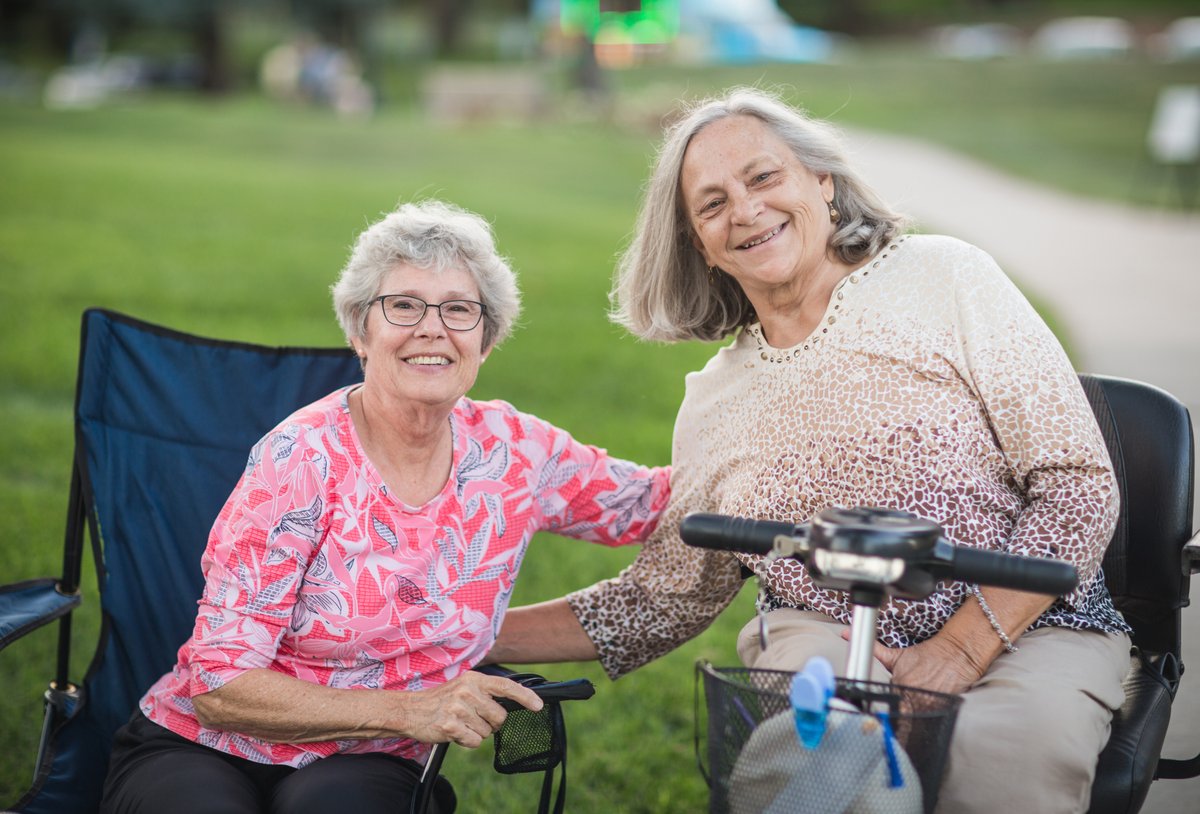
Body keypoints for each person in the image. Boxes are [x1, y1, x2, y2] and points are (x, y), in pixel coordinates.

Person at [488, 88, 1131, 814]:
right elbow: (665, 597)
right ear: (700, 242)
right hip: (823, 631)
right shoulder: (715, 400)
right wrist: (456, 633)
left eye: (764, 178)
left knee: (997, 768)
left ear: (822, 183)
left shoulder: (944, 278)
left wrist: (956, 650)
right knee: (834, 779)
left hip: (1032, 625)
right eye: (712, 203)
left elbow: (1077, 485)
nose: (746, 210)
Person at [98, 199, 671, 814]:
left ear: (487, 340)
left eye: (459, 309)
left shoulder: (518, 455)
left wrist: (766, 428)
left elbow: (658, 505)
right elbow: (220, 684)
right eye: (403, 305)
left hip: (369, 761)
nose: (432, 328)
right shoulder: (300, 459)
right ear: (358, 333)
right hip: (203, 744)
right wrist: (411, 709)